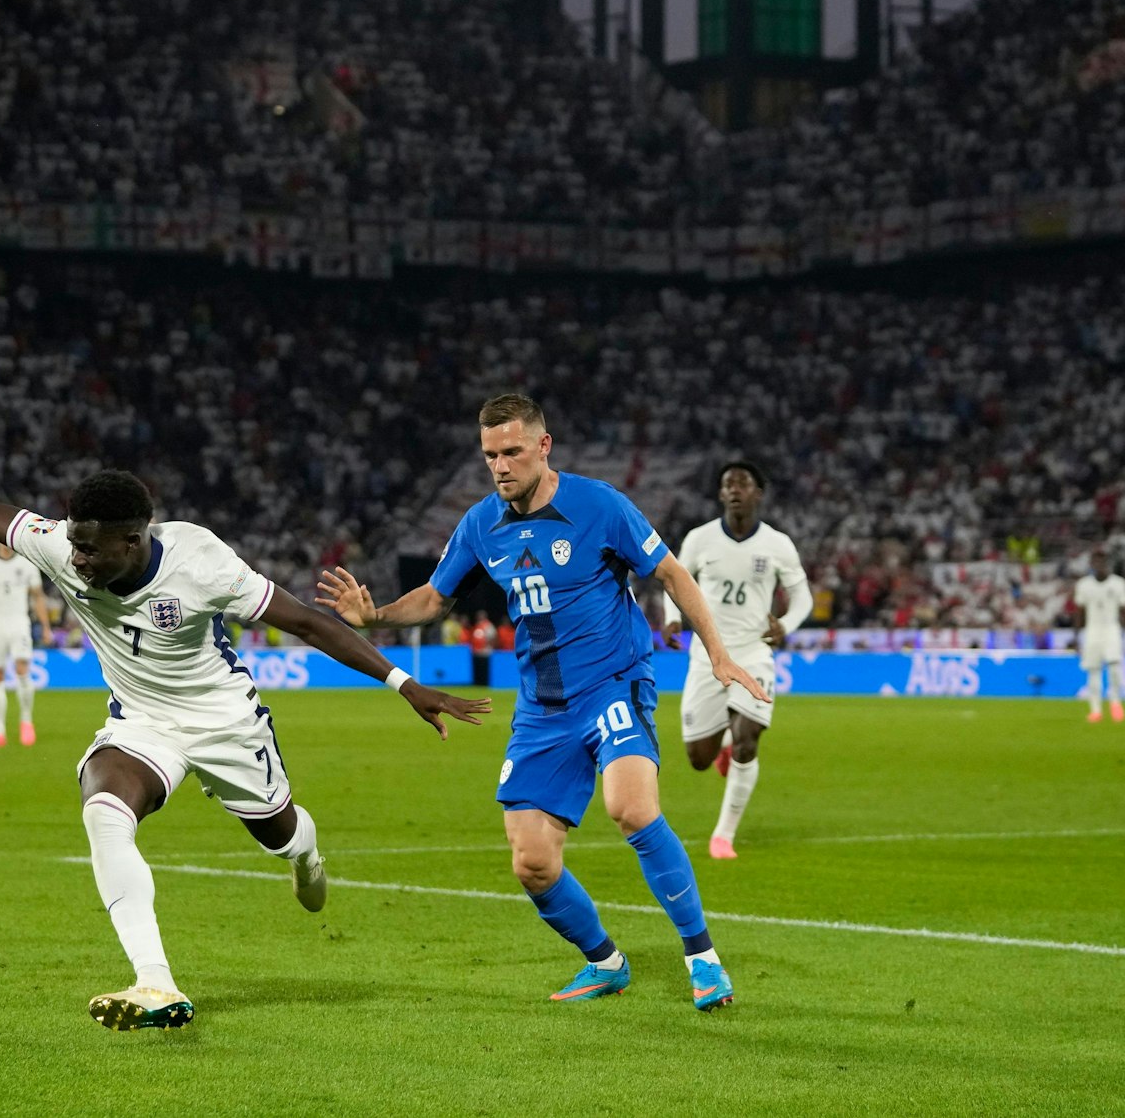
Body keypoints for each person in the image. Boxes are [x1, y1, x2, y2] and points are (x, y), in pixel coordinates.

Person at [0, 442, 489, 1032]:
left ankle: (305, 850)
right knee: (103, 810)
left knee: (279, 833)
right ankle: (155, 981)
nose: (77, 559)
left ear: (134, 541)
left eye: (91, 549)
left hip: (223, 720)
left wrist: (404, 682)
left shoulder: (201, 561)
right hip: (141, 722)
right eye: (74, 543)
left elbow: (306, 621)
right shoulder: (63, 544)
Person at [315, 394, 765, 1012]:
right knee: (531, 862)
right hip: (542, 707)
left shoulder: (599, 505)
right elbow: (436, 598)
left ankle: (703, 958)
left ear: (543, 446)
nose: (500, 466)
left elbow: (672, 574)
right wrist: (377, 616)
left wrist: (716, 653)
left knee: (632, 808)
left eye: (512, 452)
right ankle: (605, 962)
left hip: (613, 683)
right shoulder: (481, 523)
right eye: (490, 456)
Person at [660, 461, 810, 860]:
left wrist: (785, 625)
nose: (735, 490)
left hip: (754, 652)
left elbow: (803, 597)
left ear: (758, 494)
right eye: (728, 485)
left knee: (748, 741)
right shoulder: (700, 539)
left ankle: (723, 836)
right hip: (708, 655)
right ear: (721, 494)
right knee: (699, 758)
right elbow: (673, 579)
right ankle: (723, 741)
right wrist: (673, 617)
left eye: (743, 484)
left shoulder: (777, 544)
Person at [0, 543, 51, 748]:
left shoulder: (28, 565)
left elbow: (37, 597)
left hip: (19, 624)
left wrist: (46, 626)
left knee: (22, 669)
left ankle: (26, 722)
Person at [1074, 551, 1125, 722]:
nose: (1099, 566)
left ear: (1107, 564)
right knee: (1093, 671)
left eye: (1102, 562)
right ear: (1092, 564)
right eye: (1096, 562)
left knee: (1114, 668)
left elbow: (1124, 609)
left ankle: (1115, 701)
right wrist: (1076, 636)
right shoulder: (1084, 585)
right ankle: (1096, 710)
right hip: (1092, 630)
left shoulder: (1118, 583)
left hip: (1111, 629)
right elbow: (1079, 611)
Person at [468, 610, 497, 687]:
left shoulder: (488, 626)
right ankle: (477, 683)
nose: (479, 617)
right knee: (477, 669)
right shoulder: (477, 625)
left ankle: (485, 683)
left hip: (485, 651)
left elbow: (493, 638)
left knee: (485, 669)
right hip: (476, 651)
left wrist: (488, 646)